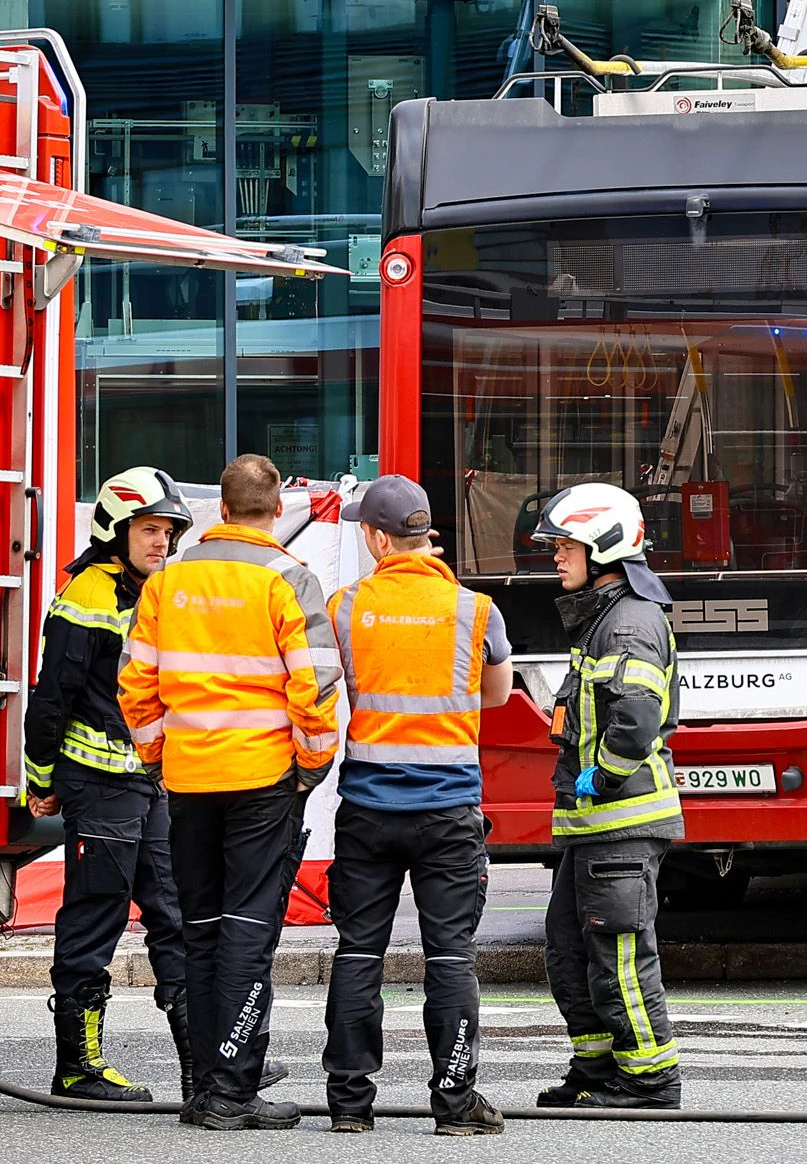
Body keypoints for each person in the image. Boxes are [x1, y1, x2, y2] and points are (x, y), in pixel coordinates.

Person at [120, 453, 340, 1130]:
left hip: (188, 779)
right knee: (248, 932)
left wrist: (161, 757)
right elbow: (317, 687)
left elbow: (135, 686)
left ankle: (207, 1086)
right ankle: (230, 1092)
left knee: (203, 930)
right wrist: (310, 765)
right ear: (277, 511)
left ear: (219, 507)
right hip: (261, 779)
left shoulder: (167, 581)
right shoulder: (287, 578)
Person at [320, 476, 512, 1136]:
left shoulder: (345, 606)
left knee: (358, 954)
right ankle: (456, 1103)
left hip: (369, 808)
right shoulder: (475, 609)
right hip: (449, 811)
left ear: (376, 537)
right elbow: (495, 694)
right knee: (451, 958)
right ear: (422, 533)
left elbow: (330, 684)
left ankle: (348, 1104)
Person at [23, 466, 197, 1101]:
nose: (162, 542)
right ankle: (78, 1068)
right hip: (97, 785)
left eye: (169, 531)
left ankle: (205, 1062)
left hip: (148, 783)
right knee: (95, 917)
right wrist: (42, 779)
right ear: (116, 529)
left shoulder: (155, 590)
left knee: (174, 914)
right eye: (150, 529)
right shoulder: (89, 594)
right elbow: (52, 698)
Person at [530, 482, 685, 1109]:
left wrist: (606, 774)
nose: (556, 557)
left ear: (603, 547)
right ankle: (597, 1067)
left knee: (619, 953)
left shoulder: (627, 624)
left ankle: (649, 1078)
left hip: (620, 820)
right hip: (592, 825)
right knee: (570, 949)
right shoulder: (603, 617)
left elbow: (638, 718)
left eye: (565, 545)